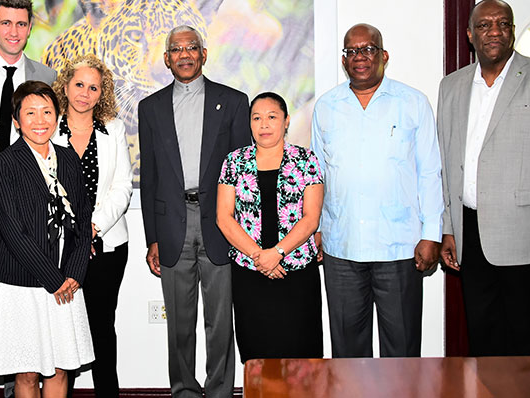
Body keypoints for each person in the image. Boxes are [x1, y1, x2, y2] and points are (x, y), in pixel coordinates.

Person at [311, 23, 443, 358]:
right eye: (352, 51)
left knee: (401, 348)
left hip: (399, 246)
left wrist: (432, 234)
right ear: (344, 60)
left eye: (368, 49)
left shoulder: (413, 103)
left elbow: (429, 172)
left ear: (383, 55)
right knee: (348, 350)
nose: (360, 57)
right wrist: (315, 228)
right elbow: (318, 175)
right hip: (342, 245)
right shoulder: (327, 106)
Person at [438, 0, 530, 356]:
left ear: (512, 30)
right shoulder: (452, 86)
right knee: (484, 341)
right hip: (470, 235)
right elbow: (447, 163)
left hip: (528, 239)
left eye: (502, 24)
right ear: (470, 35)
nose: (494, 31)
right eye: (484, 25)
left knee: (528, 343)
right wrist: (449, 227)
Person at [138, 25, 250, 397]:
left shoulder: (233, 102)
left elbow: (242, 171)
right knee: (180, 324)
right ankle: (184, 390)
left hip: (220, 223)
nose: (184, 55)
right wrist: (151, 238)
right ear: (166, 59)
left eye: (191, 48)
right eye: (176, 49)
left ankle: (220, 391)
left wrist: (243, 230)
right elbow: (150, 176)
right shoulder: (150, 108)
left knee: (220, 322)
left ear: (204, 54)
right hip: (172, 226)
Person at [0, 81, 94, 397]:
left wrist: (74, 272)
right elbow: (12, 231)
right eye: (30, 113)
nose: (40, 120)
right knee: (29, 372)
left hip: (66, 283)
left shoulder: (68, 158)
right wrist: (54, 279)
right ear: (16, 120)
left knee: (61, 368)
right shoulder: (4, 163)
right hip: (22, 283)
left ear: (58, 116)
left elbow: (83, 219)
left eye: (47, 111)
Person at [217, 92, 324, 362]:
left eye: (272, 117)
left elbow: (311, 219)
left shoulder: (306, 160)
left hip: (296, 273)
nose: (264, 124)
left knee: (301, 359)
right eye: (257, 118)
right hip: (250, 274)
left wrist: (276, 253)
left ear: (286, 121)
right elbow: (224, 217)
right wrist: (259, 256)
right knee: (258, 359)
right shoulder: (234, 162)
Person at [51, 54, 132, 397]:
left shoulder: (113, 129)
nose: (85, 93)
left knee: (101, 327)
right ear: (66, 86)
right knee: (63, 331)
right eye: (79, 85)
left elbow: (122, 186)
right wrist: (73, 234)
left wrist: (92, 229)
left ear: (103, 93)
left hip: (107, 245)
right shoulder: (47, 125)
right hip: (58, 247)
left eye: (93, 87)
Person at [0, 0, 56, 149]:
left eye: (21, 24)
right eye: (6, 23)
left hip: (29, 169)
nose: (14, 32)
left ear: (29, 29)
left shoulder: (47, 77)